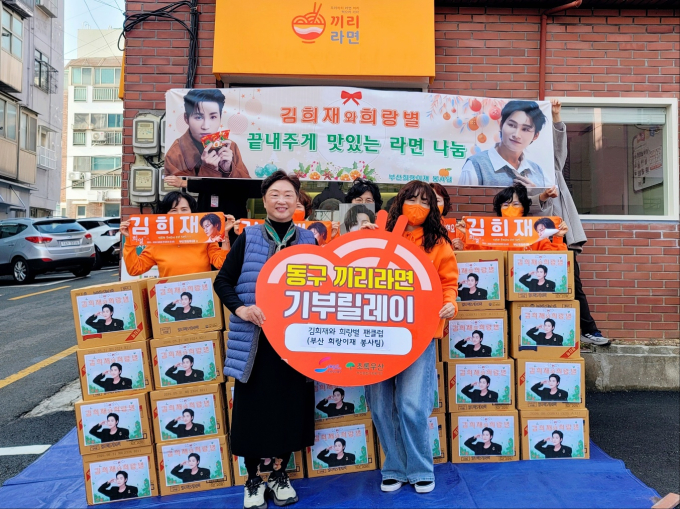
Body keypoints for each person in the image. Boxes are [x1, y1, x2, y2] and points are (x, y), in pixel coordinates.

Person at [214, 171, 316, 509]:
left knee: (289, 408)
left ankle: (279, 474)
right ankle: (253, 479)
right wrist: (242, 309)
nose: (282, 200)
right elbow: (223, 281)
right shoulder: (249, 237)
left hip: (295, 343)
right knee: (254, 412)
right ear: (265, 200)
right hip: (255, 343)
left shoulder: (309, 241)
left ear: (298, 201)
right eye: (275, 194)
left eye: (288, 194)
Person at [363, 180, 458, 494]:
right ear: (399, 202)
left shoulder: (438, 243)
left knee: (412, 403)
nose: (418, 206)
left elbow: (448, 282)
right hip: (375, 332)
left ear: (433, 209)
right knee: (380, 404)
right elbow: (348, 268)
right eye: (412, 199)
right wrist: (360, 237)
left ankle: (419, 469)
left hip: (419, 332)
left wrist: (450, 303)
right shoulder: (381, 234)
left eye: (425, 202)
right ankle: (394, 467)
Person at [527, 99, 611, 346]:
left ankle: (588, 330)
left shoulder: (551, 166)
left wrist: (555, 117)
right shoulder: (516, 173)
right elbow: (515, 205)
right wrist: (541, 197)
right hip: (532, 238)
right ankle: (540, 335)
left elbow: (559, 146)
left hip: (561, 234)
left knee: (573, 282)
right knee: (536, 287)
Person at [121, 192, 231, 278]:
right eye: (173, 210)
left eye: (184, 209)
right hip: (170, 295)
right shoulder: (157, 241)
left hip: (201, 294)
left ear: (192, 212)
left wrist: (224, 233)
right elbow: (134, 269)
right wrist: (129, 239)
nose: (179, 214)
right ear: (165, 214)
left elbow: (222, 264)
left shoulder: (205, 237)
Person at [460, 100, 548, 187]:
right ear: (501, 125)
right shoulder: (476, 165)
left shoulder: (538, 172)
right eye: (512, 125)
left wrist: (534, 193)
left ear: (535, 136)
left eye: (525, 129)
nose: (516, 135)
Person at [165, 89, 250, 178]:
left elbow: (248, 185)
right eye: (198, 117)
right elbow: (177, 186)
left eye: (213, 117)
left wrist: (228, 169)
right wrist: (208, 170)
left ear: (220, 118)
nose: (206, 126)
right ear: (186, 119)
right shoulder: (174, 155)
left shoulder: (231, 147)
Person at [430, 183, 466, 251]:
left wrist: (461, 249)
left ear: (445, 203)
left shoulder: (457, 230)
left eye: (437, 201)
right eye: (430, 200)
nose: (433, 204)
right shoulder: (413, 228)